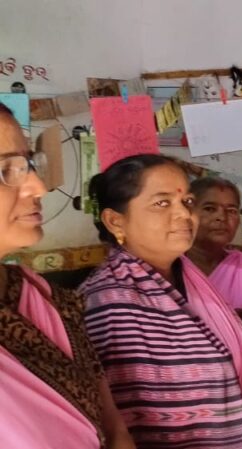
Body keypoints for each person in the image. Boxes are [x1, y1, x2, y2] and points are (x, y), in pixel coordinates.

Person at [80, 154, 242, 449]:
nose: (184, 214)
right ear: (115, 221)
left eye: (186, 202)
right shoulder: (108, 303)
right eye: (162, 203)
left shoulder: (190, 282)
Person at [0, 103, 134, 449]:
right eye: (6, 170)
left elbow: (113, 429)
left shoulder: (50, 300)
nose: (39, 187)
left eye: (29, 164)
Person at [186, 176, 242, 314]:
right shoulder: (167, 268)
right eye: (210, 209)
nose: (222, 217)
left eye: (231, 211)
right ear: (188, 214)